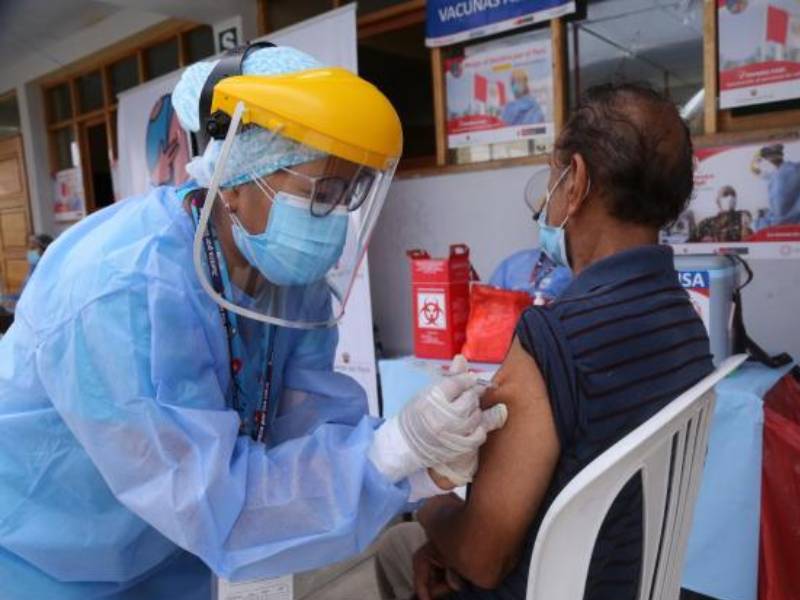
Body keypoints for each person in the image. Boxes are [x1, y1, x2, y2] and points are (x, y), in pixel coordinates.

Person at [0, 45, 506, 600]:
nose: (334, 218)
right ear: (236, 182)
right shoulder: (123, 290)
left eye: (350, 194)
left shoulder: (289, 285)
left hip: (168, 558)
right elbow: (209, 501)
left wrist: (416, 464)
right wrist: (393, 453)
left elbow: (315, 429)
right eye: (321, 193)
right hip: (43, 561)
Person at [372, 83, 714, 600]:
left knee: (398, 544)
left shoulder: (554, 338)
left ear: (575, 182)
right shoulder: (686, 323)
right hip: (639, 584)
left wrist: (427, 502)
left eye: (552, 176)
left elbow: (484, 559)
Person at [751, 143, 800, 228]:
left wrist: (759, 219)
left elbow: (754, 168)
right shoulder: (792, 169)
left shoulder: (777, 177)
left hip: (781, 225)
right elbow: (755, 170)